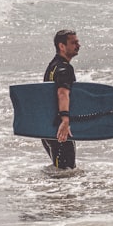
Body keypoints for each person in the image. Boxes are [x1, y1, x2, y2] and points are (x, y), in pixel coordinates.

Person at [42, 29, 80, 169]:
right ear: (62, 46)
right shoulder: (64, 69)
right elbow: (62, 93)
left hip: (48, 128)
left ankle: (51, 191)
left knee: (60, 170)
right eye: (73, 42)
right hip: (60, 129)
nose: (78, 45)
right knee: (66, 171)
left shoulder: (52, 66)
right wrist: (65, 120)